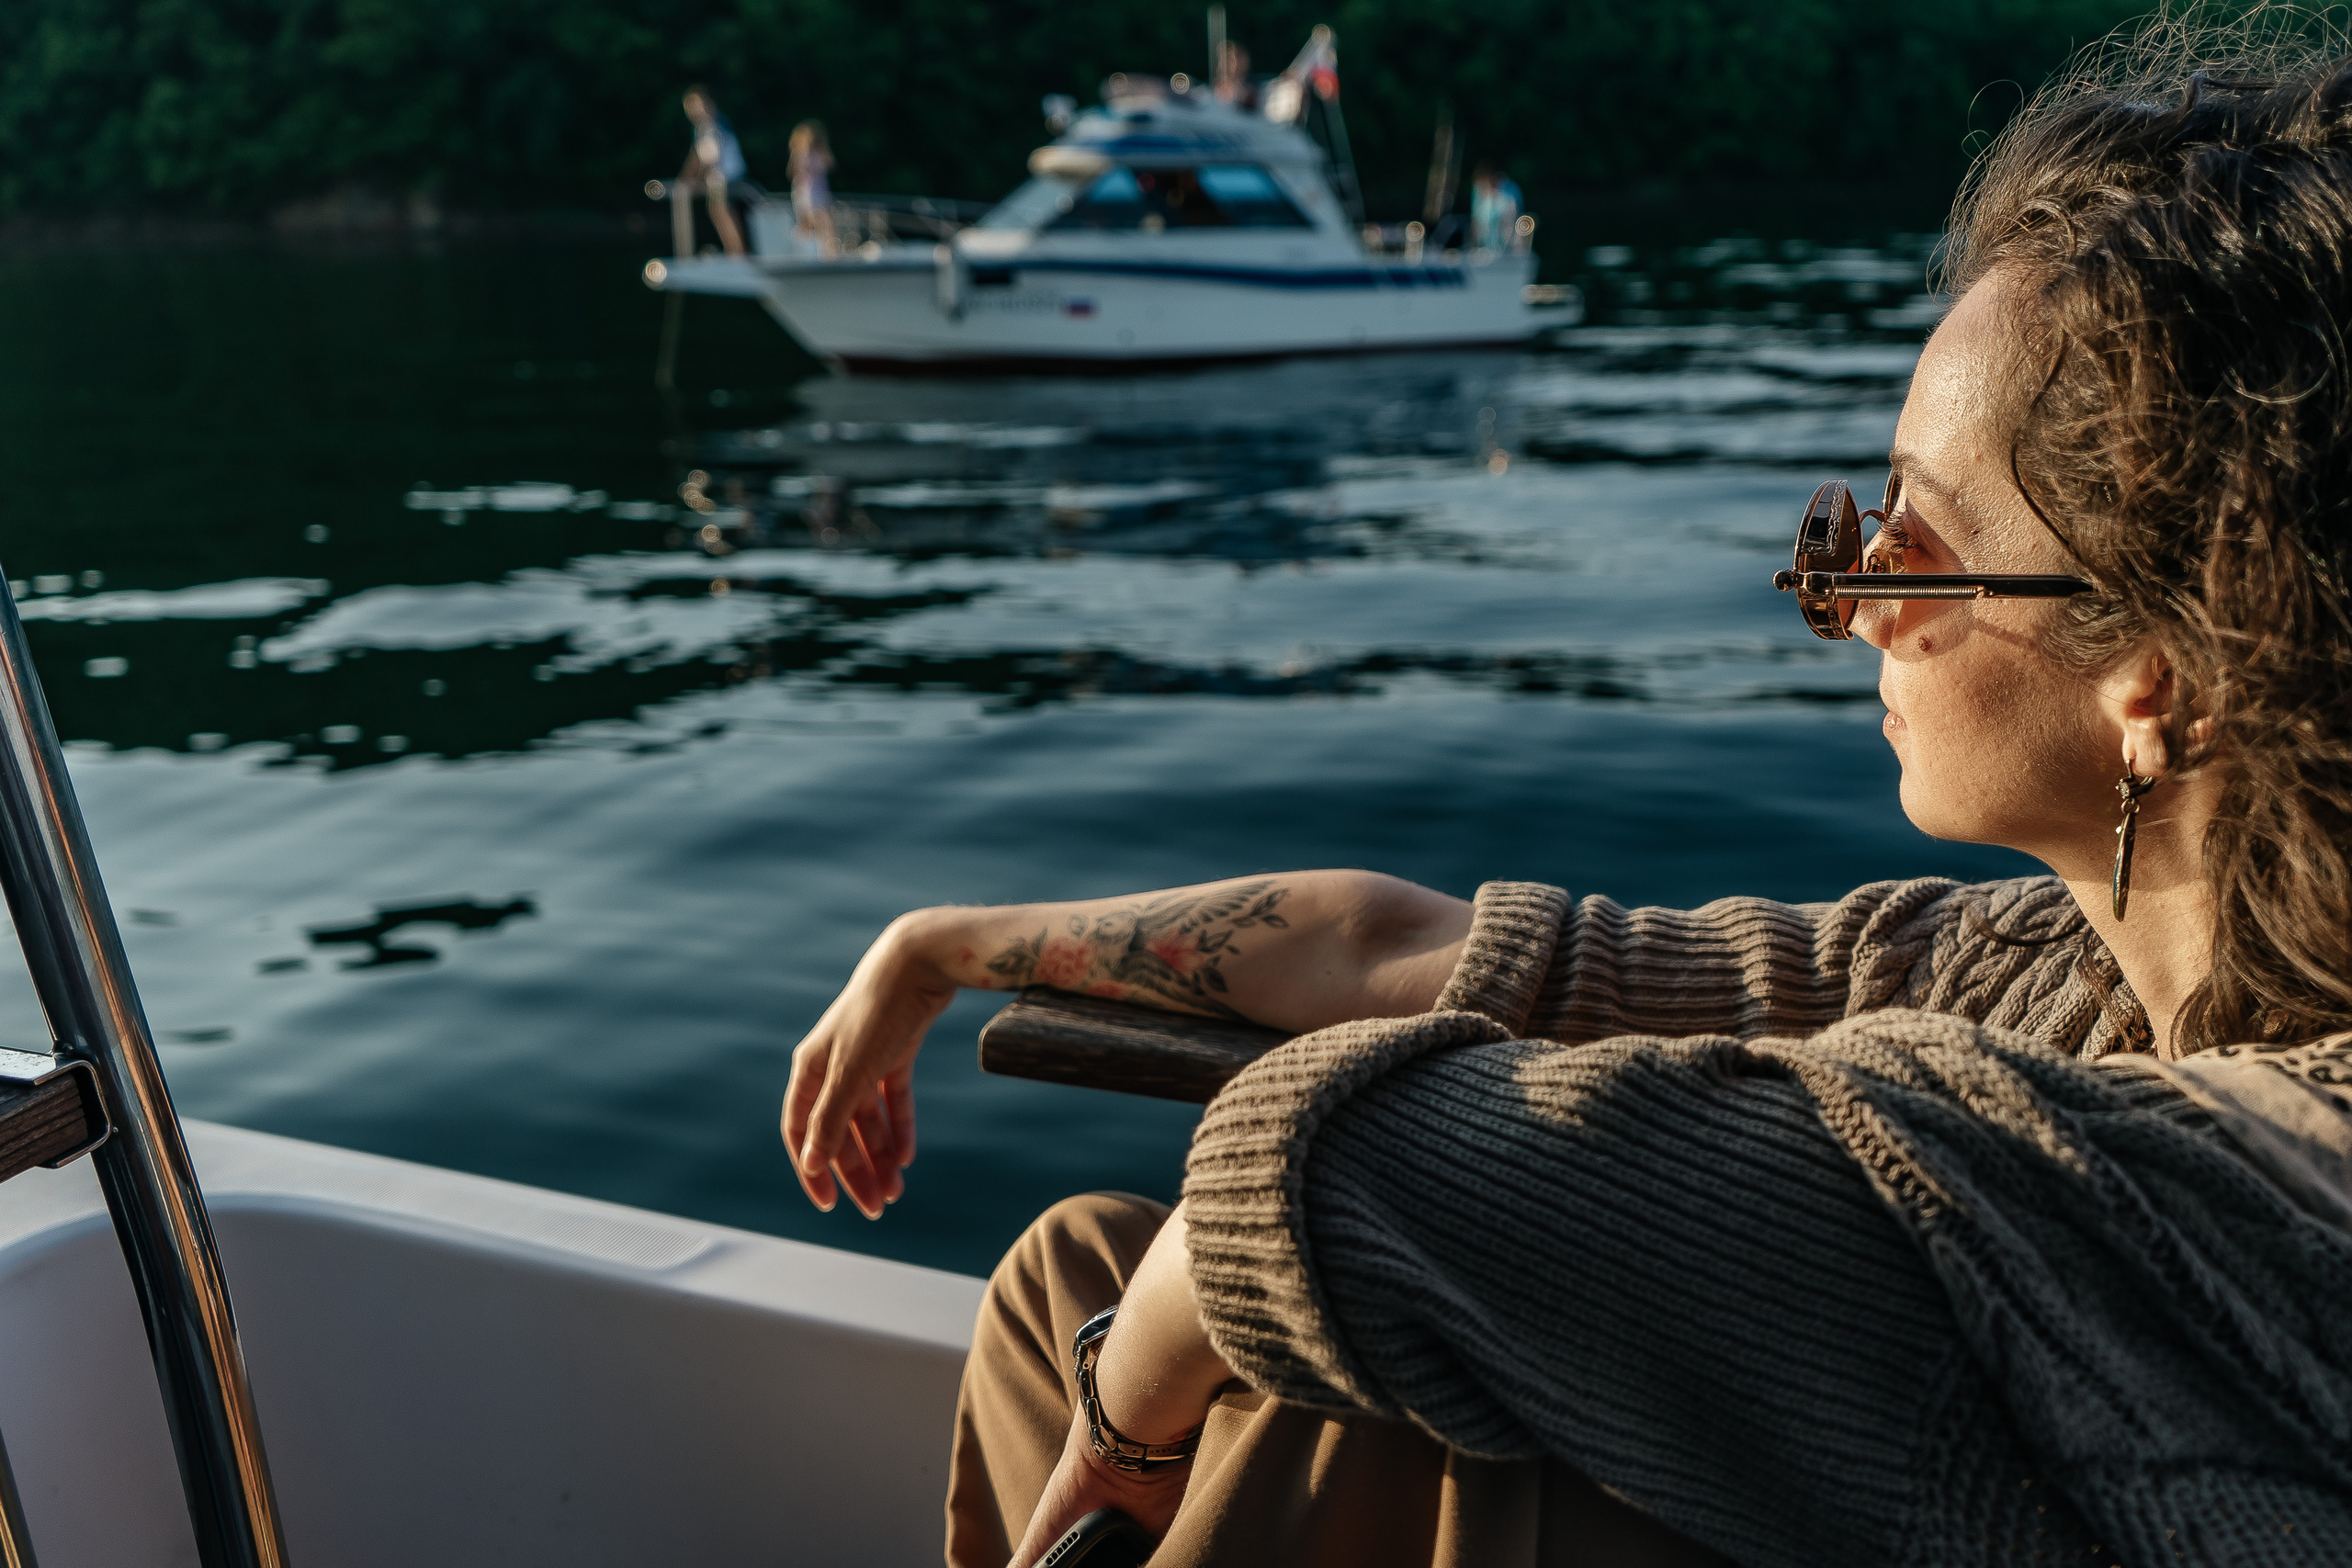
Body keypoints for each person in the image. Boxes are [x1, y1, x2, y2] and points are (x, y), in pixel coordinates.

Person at [781, 26, 2352, 1568]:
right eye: (1852, 524)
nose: (1848, 595)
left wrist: (1135, 1423)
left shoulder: (2277, 1178)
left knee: (1310, 1395)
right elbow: (1476, 960)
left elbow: (1375, 1174)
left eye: (1913, 541)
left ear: (2157, 673)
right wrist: (946, 945)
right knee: (1077, 1279)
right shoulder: (2045, 966)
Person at [676, 86, 749, 258]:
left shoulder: (713, 125)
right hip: (720, 176)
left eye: (699, 105)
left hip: (726, 175)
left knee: (721, 209)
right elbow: (696, 155)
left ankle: (738, 252)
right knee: (717, 209)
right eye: (692, 107)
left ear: (710, 105)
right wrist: (685, 178)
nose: (696, 110)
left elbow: (711, 157)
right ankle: (735, 250)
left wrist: (696, 180)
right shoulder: (703, 127)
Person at [788, 119, 836, 257]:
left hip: (820, 192)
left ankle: (829, 254)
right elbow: (793, 172)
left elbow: (830, 165)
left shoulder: (820, 153)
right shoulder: (799, 153)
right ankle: (805, 248)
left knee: (825, 222)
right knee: (810, 223)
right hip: (805, 193)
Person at [1469, 163, 1522, 253]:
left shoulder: (1507, 193)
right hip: (1486, 240)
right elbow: (1477, 217)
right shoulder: (1480, 193)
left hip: (1505, 239)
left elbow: (1511, 214)